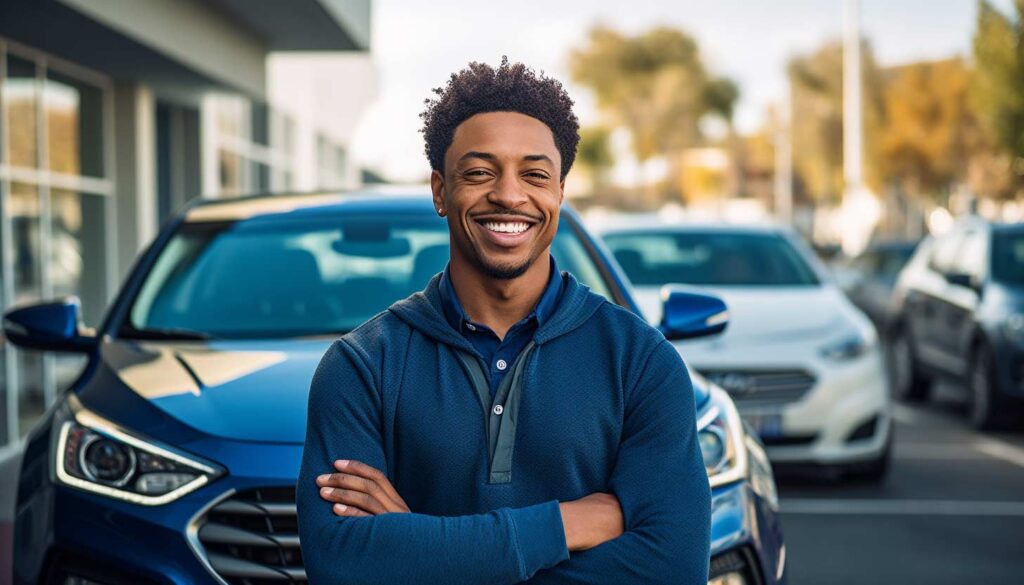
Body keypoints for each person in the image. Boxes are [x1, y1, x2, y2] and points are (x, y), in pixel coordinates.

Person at [296, 58, 710, 584]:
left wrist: (420, 546)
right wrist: (565, 523)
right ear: (441, 191)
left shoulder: (641, 361)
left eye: (534, 174)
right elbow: (341, 563)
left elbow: (671, 569)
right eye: (479, 172)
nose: (509, 195)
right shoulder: (361, 366)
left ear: (560, 190)